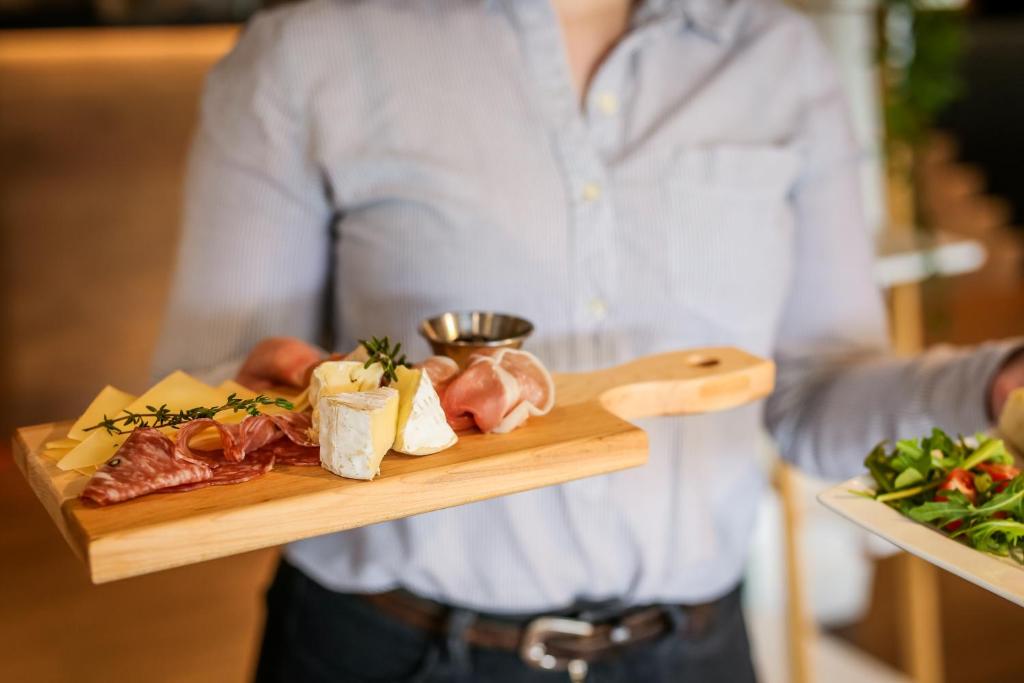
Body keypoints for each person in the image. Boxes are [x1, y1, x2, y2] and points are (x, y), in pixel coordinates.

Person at [154, 0, 1024, 680]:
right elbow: (197, 399)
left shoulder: (777, 57)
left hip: (694, 654)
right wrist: (293, 406)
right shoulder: (308, 51)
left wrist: (998, 384)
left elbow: (811, 393)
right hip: (392, 649)